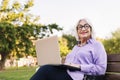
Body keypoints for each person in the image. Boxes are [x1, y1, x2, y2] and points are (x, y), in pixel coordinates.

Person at [30, 18, 107, 80]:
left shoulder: (97, 45)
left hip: (79, 77)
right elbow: (70, 64)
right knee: (45, 69)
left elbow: (101, 69)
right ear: (77, 31)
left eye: (86, 26)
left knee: (45, 70)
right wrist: (62, 63)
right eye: (80, 27)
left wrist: (80, 66)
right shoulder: (76, 47)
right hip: (66, 73)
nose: (83, 29)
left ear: (91, 29)